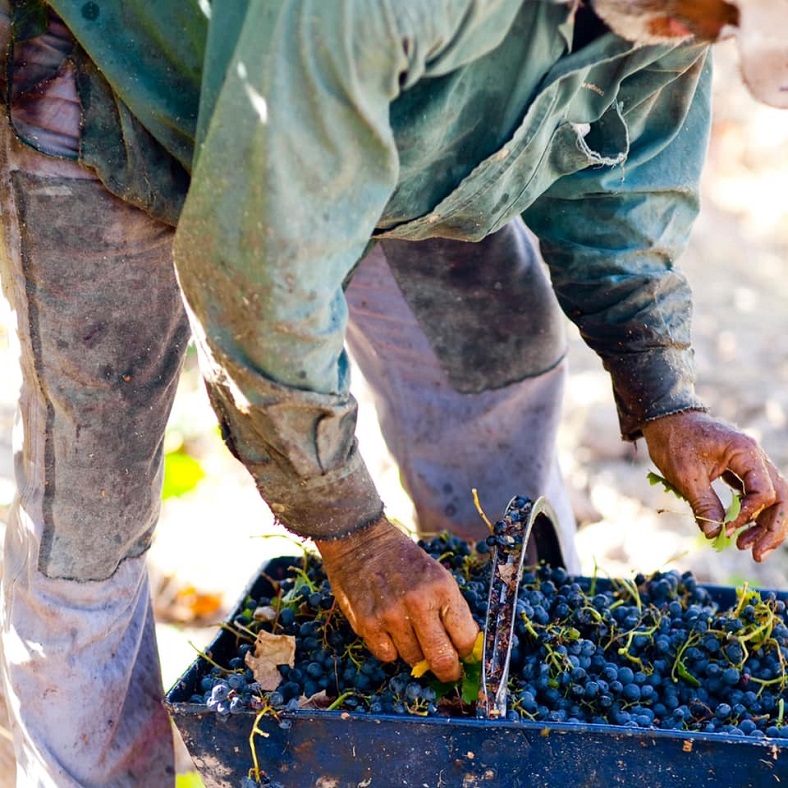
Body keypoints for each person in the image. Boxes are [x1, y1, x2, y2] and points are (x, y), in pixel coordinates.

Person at [0, 1, 785, 785]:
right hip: (125, 83)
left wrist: (666, 399)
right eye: (717, 13)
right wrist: (353, 536)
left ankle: (490, 697)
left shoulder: (682, 15)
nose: (709, 35)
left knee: (495, 360)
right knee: (87, 508)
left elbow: (625, 179)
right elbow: (258, 279)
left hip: (379, 121)